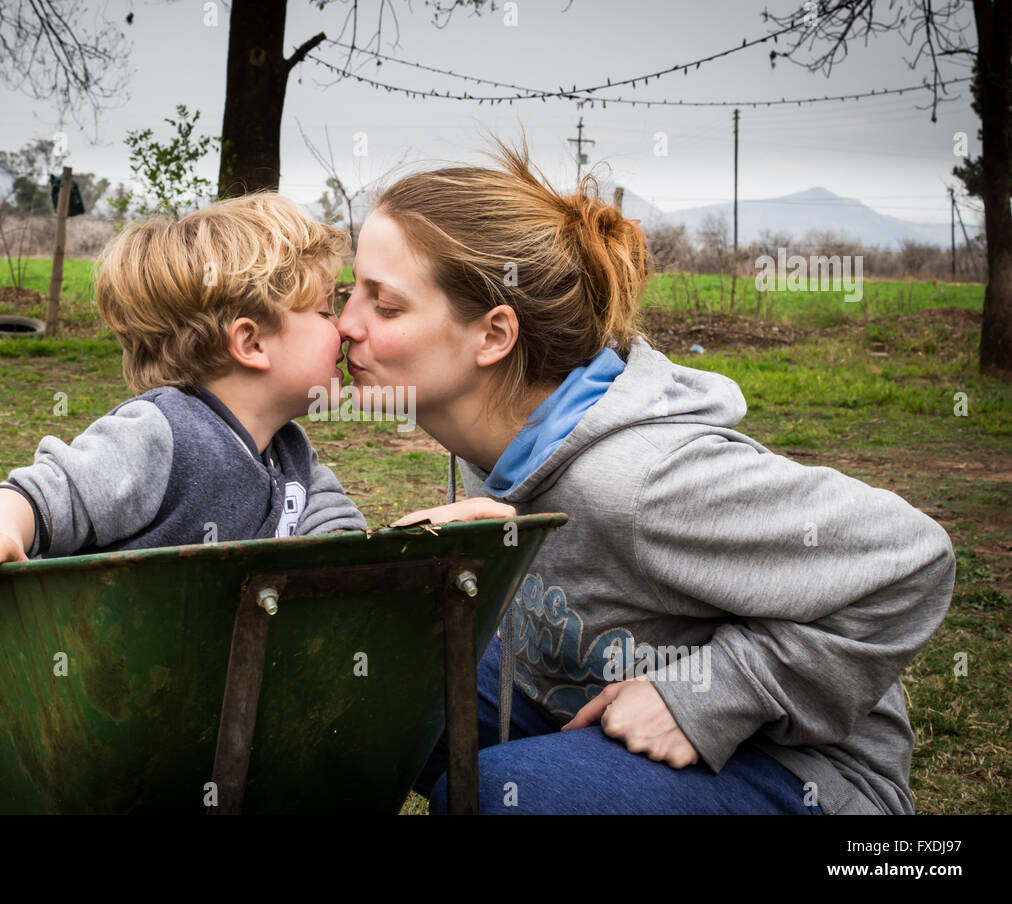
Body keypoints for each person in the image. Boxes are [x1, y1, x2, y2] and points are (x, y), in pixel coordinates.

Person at [338, 137, 956, 815]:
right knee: (361, 693)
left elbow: (912, 557)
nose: (346, 325)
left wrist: (701, 696)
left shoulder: (644, 482)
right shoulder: (495, 435)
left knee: (490, 800)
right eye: (351, 292)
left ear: (493, 336)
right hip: (581, 690)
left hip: (795, 766)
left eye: (385, 306)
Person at [0, 192, 368, 594]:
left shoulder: (290, 450)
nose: (343, 327)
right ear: (251, 343)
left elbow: (342, 535)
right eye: (325, 310)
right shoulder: (160, 434)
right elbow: (37, 496)